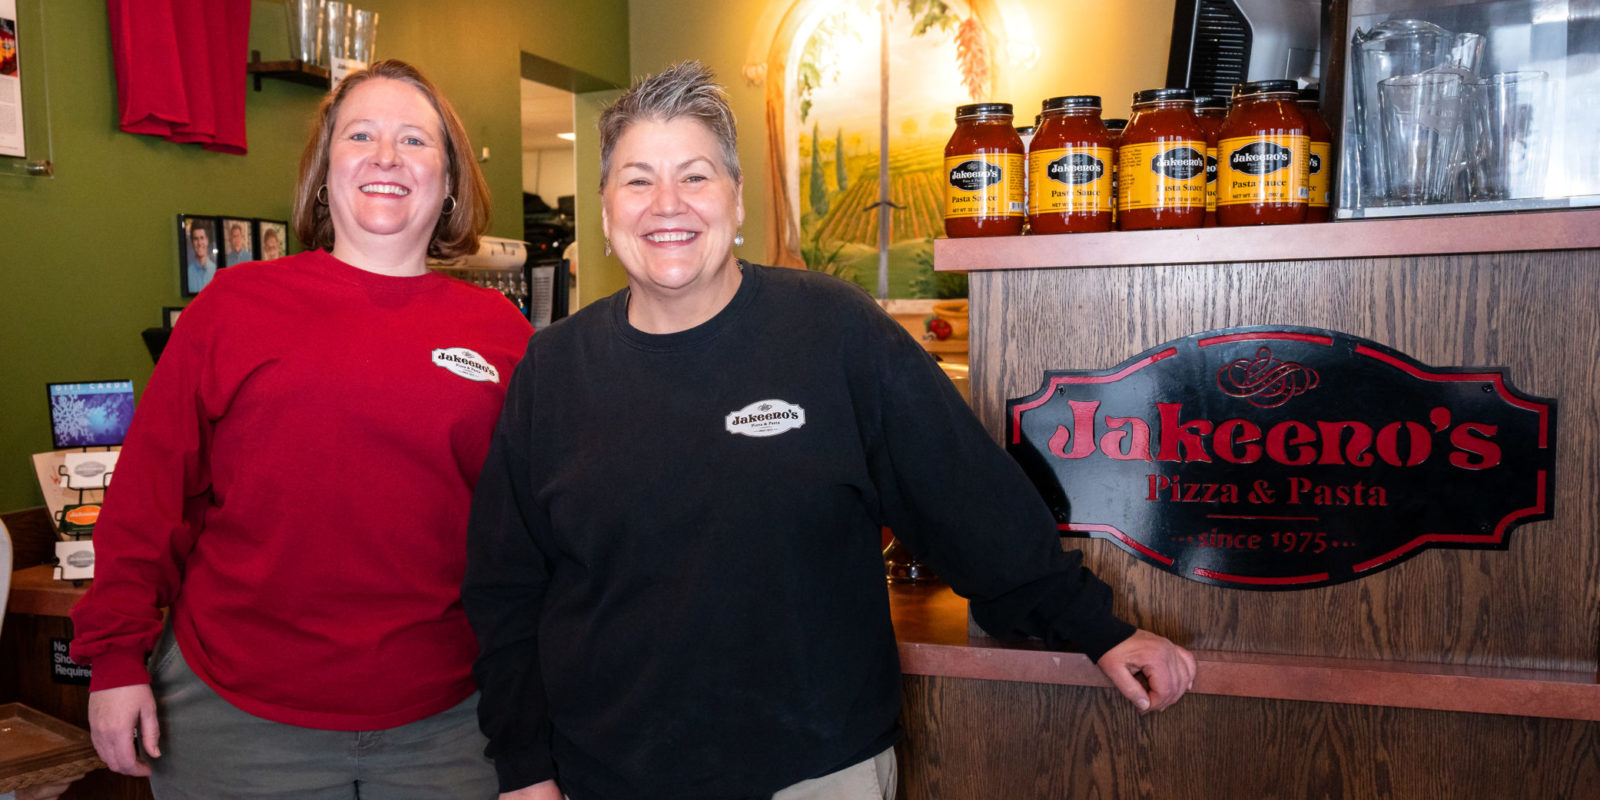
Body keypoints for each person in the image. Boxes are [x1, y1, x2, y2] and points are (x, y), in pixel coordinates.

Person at [463, 61, 1196, 800]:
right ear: (605, 206)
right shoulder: (552, 371)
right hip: (608, 774)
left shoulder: (833, 331)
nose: (666, 204)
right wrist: (525, 769)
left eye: (695, 176)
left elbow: (963, 497)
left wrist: (1094, 628)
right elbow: (507, 589)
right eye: (637, 179)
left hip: (817, 772)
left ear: (737, 199)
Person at [70, 59, 533, 799]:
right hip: (234, 720)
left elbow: (531, 536)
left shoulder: (503, 334)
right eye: (362, 135)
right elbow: (147, 499)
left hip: (448, 725)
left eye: (415, 140)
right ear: (326, 170)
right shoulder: (234, 305)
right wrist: (115, 659)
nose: (386, 157)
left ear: (448, 183)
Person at [184, 222, 216, 293]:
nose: (199, 243)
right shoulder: (187, 274)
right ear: (192, 242)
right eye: (196, 239)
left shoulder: (216, 272)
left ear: (207, 240)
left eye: (202, 238)